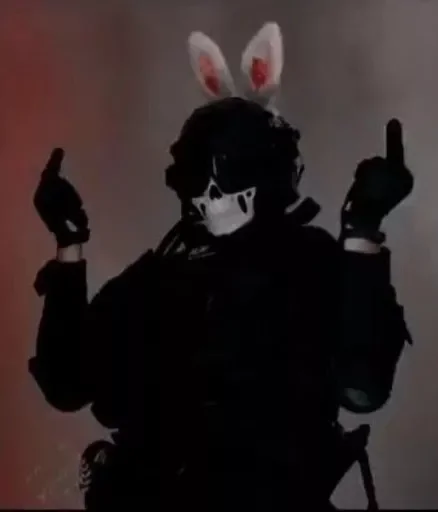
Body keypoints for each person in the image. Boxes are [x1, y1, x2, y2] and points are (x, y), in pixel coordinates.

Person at [30, 22, 413, 511]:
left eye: (217, 173)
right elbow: (67, 382)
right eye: (194, 174)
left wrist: (362, 231)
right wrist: (68, 250)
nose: (205, 195)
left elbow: (363, 385)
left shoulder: (307, 262)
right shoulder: (159, 274)